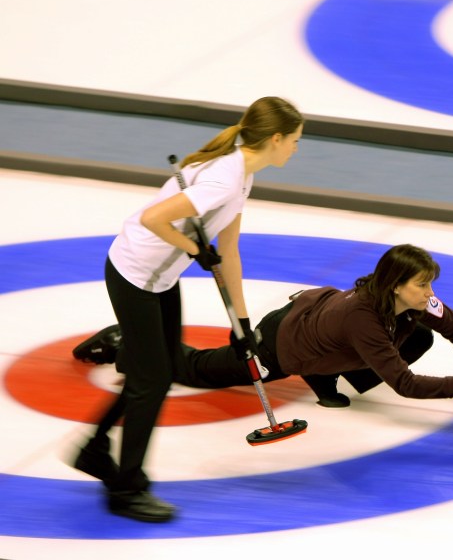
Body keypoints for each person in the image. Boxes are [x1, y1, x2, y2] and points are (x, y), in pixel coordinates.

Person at [70, 96, 305, 522]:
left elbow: (229, 250)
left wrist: (243, 322)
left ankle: (94, 449)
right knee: (152, 381)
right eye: (294, 141)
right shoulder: (224, 181)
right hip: (135, 276)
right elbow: (153, 219)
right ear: (274, 139)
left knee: (159, 370)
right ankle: (126, 489)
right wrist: (195, 249)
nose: (296, 149)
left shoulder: (241, 174)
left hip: (159, 279)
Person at [75, 243, 453, 413]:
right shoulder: (364, 318)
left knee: (422, 334)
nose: (430, 292)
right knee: (193, 369)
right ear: (395, 284)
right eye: (422, 283)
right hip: (279, 345)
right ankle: (122, 341)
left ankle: (324, 370)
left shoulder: (412, 300)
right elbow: (404, 384)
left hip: (317, 324)